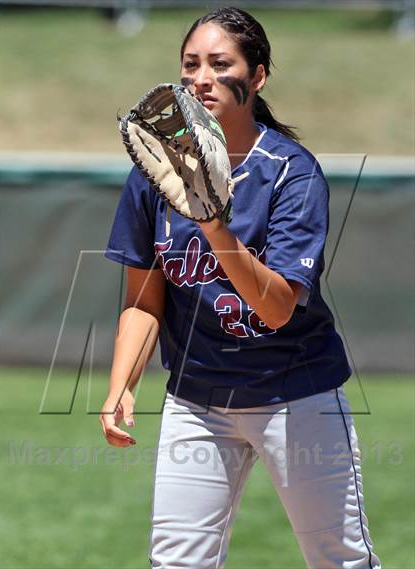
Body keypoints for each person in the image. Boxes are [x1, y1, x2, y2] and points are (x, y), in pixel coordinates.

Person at [99, 7, 381, 569]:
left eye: (220, 63)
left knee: (338, 560)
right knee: (176, 563)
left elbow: (276, 307)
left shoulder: (291, 172)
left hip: (295, 396)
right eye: (190, 64)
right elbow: (143, 299)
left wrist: (210, 221)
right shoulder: (156, 171)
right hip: (196, 400)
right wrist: (120, 384)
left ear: (257, 77)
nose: (201, 77)